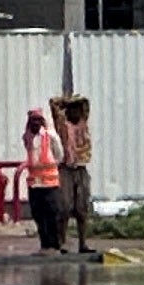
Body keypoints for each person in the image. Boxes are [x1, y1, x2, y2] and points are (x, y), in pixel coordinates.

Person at [51, 92, 95, 252]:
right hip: (66, 169)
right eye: (72, 110)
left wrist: (77, 101)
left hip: (81, 168)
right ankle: (61, 242)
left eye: (78, 109)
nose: (76, 113)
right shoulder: (63, 125)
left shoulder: (83, 123)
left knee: (82, 208)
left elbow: (86, 103)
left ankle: (83, 243)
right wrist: (66, 101)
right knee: (64, 207)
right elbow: (54, 103)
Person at [21, 103, 66, 253]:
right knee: (38, 215)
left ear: (42, 121)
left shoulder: (50, 135)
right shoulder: (27, 136)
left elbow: (59, 155)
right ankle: (44, 244)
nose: (35, 123)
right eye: (32, 120)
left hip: (50, 183)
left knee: (52, 215)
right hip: (34, 184)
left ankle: (54, 245)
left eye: (38, 120)